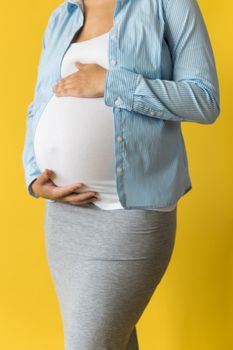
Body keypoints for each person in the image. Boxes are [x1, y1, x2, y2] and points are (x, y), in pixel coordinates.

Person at [22, 0, 220, 349]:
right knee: (114, 340)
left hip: (130, 213)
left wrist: (112, 83)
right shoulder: (62, 15)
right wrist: (34, 176)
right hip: (65, 215)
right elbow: (39, 103)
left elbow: (204, 100)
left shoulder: (167, 5)